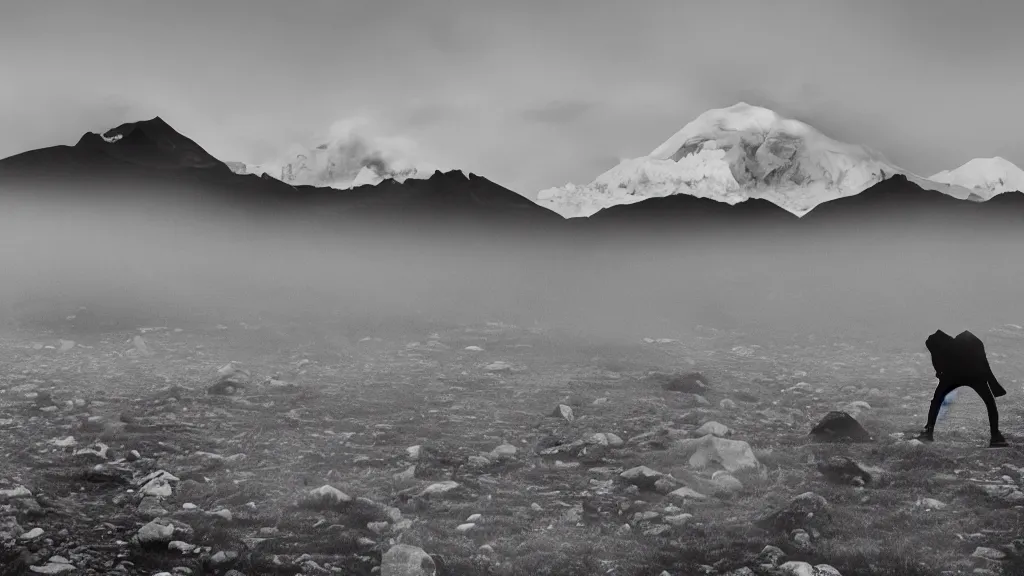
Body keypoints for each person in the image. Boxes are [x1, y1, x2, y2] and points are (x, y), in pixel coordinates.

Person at [917, 330, 1008, 448]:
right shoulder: (969, 340)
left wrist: (940, 373)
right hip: (974, 375)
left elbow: (937, 362)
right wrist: (990, 380)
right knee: (990, 402)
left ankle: (929, 431)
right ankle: (995, 436)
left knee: (936, 400)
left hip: (955, 375)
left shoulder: (940, 346)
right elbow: (983, 362)